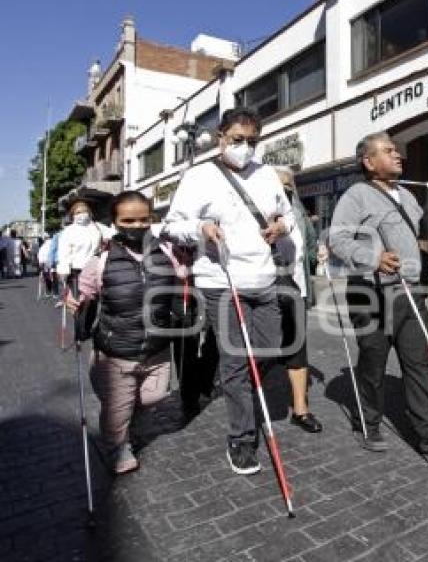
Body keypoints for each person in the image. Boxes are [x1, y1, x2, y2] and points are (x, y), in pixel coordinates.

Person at [162, 107, 293, 476]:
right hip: (221, 280)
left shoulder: (267, 174)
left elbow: (288, 215)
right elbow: (171, 227)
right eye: (238, 140)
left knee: (269, 347)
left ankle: (232, 384)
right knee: (236, 358)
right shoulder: (198, 176)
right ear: (221, 137)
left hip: (263, 277)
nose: (245, 147)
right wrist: (201, 228)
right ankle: (241, 437)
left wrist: (281, 226)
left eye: (252, 141)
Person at [328, 131, 428, 456]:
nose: (397, 154)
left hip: (410, 293)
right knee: (373, 364)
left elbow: (418, 239)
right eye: (388, 151)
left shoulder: (410, 196)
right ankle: (368, 423)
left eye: (396, 150)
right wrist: (373, 258)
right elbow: (337, 239)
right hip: (371, 295)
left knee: (418, 363)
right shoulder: (356, 195)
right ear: (369, 162)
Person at [65, 191, 182, 474]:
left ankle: (122, 413)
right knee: (118, 407)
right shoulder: (101, 261)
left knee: (154, 397)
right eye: (128, 220)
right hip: (117, 350)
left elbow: (184, 278)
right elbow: (85, 293)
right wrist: (74, 301)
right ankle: (118, 447)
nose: (137, 226)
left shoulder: (167, 252)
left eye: (144, 219)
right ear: (115, 222)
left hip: (157, 348)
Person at [274, 166, 322, 433]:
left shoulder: (298, 208)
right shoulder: (258, 208)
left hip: (297, 288)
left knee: (297, 346)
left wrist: (317, 255)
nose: (285, 189)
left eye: (289, 185)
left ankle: (300, 410)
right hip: (265, 287)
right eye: (280, 185)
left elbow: (310, 241)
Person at [57, 198, 113, 290]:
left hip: (97, 270)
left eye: (84, 211)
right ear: (73, 215)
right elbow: (64, 253)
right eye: (78, 212)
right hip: (77, 271)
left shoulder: (97, 226)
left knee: (99, 300)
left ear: (89, 213)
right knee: (80, 301)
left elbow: (113, 234)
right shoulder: (69, 231)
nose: (82, 214)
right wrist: (63, 271)